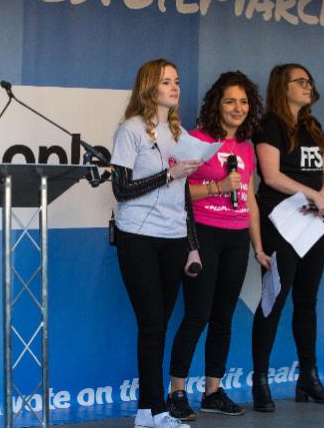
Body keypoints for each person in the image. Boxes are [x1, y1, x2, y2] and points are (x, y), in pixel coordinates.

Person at [166, 71, 271, 421]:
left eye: (243, 102)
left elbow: (251, 199)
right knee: (198, 314)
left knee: (223, 317)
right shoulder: (196, 140)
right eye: (230, 101)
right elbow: (176, 191)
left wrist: (258, 247)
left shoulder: (246, 146)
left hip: (237, 238)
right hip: (202, 235)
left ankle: (213, 391)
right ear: (217, 104)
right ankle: (177, 392)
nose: (237, 108)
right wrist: (216, 187)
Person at [110, 59, 203, 428]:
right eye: (167, 81)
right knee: (151, 324)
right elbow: (120, 189)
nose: (175, 87)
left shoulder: (182, 135)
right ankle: (156, 411)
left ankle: (148, 411)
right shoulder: (130, 130)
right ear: (150, 86)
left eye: (177, 81)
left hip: (174, 238)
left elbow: (184, 199)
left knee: (160, 325)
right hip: (138, 238)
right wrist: (168, 174)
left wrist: (192, 244)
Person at [251, 63, 324, 410]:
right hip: (280, 221)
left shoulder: (313, 126)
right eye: (300, 81)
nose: (308, 86)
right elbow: (271, 176)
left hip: (312, 225)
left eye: (309, 81)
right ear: (282, 86)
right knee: (274, 299)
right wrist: (311, 195)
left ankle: (308, 376)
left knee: (307, 301)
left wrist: (323, 196)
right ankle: (261, 380)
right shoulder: (269, 125)